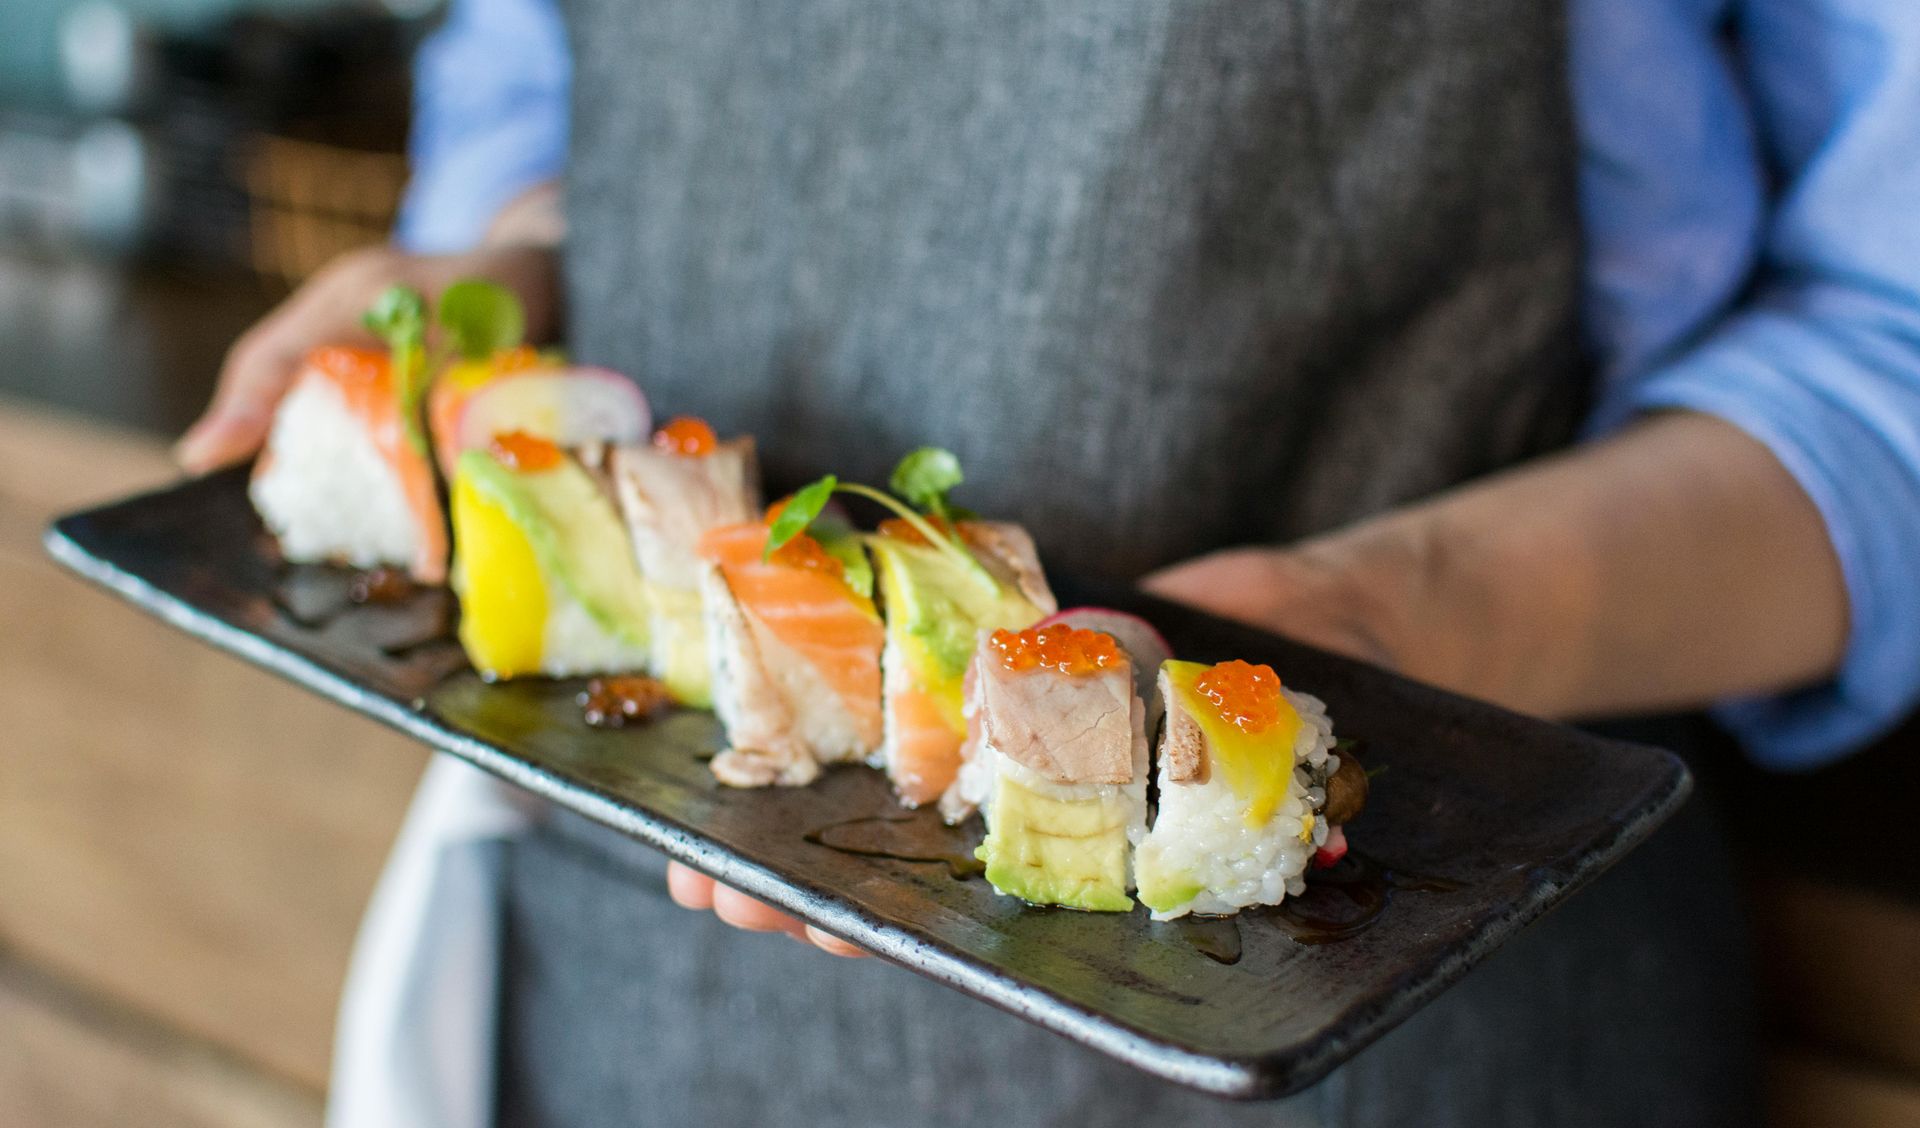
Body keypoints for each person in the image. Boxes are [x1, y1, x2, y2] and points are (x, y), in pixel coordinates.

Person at [174, 0, 1920, 1124]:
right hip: (659, 983)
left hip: (1424, 1027)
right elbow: (543, 71)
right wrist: (511, 283)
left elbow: (1891, 353)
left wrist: (1393, 623)